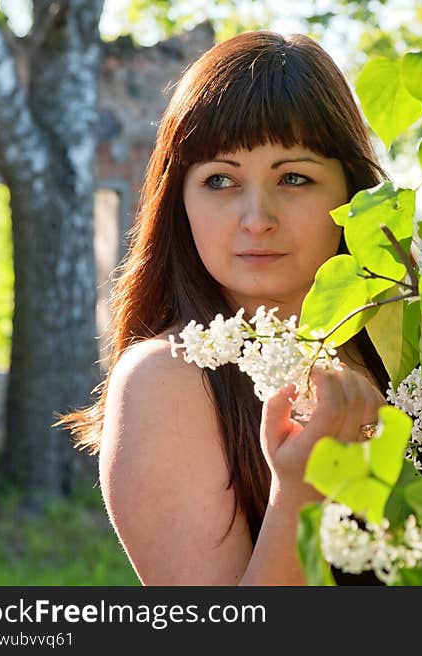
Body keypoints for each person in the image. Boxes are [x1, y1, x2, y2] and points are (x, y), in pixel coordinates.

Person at [58, 31, 391, 585]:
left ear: (351, 192)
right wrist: (301, 493)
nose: (256, 217)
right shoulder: (168, 378)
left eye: (294, 178)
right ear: (179, 201)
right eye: (220, 180)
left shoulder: (409, 337)